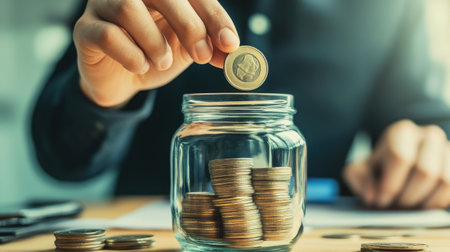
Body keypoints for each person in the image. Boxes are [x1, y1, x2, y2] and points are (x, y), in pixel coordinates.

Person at [32, 0, 450, 209]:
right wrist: (103, 98)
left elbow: (425, 119)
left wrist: (428, 151)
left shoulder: (396, 7)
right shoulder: (135, 3)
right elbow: (60, 156)